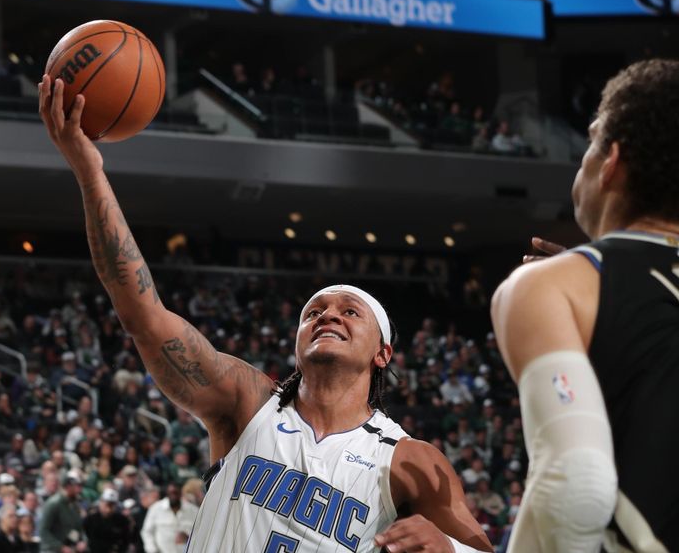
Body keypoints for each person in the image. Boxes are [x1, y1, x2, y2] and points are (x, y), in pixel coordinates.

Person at [39, 74, 491, 552]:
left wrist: (449, 549)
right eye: (313, 311)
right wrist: (90, 172)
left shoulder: (409, 460)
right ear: (296, 343)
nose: (327, 315)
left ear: (383, 353)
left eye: (350, 311)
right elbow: (143, 314)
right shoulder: (246, 403)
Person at [492, 59, 679, 552]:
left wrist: (573, 283)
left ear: (611, 160)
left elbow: (576, 484)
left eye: (591, 141)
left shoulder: (553, 285)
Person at [142, 482, 197, 553]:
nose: (173, 496)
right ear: (167, 494)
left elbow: (200, 533)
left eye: (175, 493)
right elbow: (147, 531)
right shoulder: (156, 508)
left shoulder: (193, 510)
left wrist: (188, 538)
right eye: (170, 493)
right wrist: (152, 550)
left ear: (180, 493)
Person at [39, 470, 85, 553]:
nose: (79, 490)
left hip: (69, 547)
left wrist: (82, 541)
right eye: (77, 486)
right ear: (68, 486)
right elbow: (43, 530)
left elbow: (79, 529)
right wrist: (60, 547)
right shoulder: (54, 503)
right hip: (51, 549)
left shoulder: (74, 505)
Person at [83, 488, 131, 553]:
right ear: (101, 502)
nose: (108, 509)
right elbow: (85, 537)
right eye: (106, 505)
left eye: (112, 505)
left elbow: (126, 541)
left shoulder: (122, 520)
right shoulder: (90, 519)